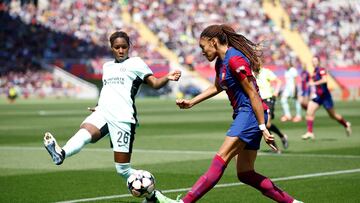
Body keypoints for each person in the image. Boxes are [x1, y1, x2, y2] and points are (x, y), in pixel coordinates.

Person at [155, 24, 301, 203]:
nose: (202, 52)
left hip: (250, 115)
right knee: (246, 173)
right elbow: (218, 86)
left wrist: (263, 127)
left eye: (203, 47)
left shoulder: (235, 60)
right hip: (247, 115)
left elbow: (253, 94)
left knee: (220, 159)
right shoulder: (221, 62)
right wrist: (192, 102)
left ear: (214, 42)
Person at [43, 31, 181, 202]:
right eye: (117, 47)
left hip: (123, 118)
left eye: (124, 47)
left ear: (129, 47)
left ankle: (155, 196)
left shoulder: (136, 63)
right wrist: (100, 106)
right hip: (103, 111)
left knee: (122, 169)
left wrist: (167, 77)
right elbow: (108, 91)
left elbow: (154, 84)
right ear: (111, 48)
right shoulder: (107, 67)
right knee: (86, 132)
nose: (121, 50)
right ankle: (61, 153)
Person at [301, 57, 351, 140]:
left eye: (315, 61)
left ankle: (346, 124)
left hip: (325, 97)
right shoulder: (314, 72)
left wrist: (314, 83)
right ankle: (310, 132)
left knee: (333, 115)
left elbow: (324, 80)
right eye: (312, 61)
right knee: (309, 112)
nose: (314, 63)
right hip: (318, 96)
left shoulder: (321, 70)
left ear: (319, 62)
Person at [256, 67, 288, 152]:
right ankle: (276, 148)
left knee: (267, 124)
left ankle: (281, 136)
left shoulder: (266, 72)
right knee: (265, 124)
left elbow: (278, 81)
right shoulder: (251, 72)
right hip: (258, 101)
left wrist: (276, 91)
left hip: (268, 99)